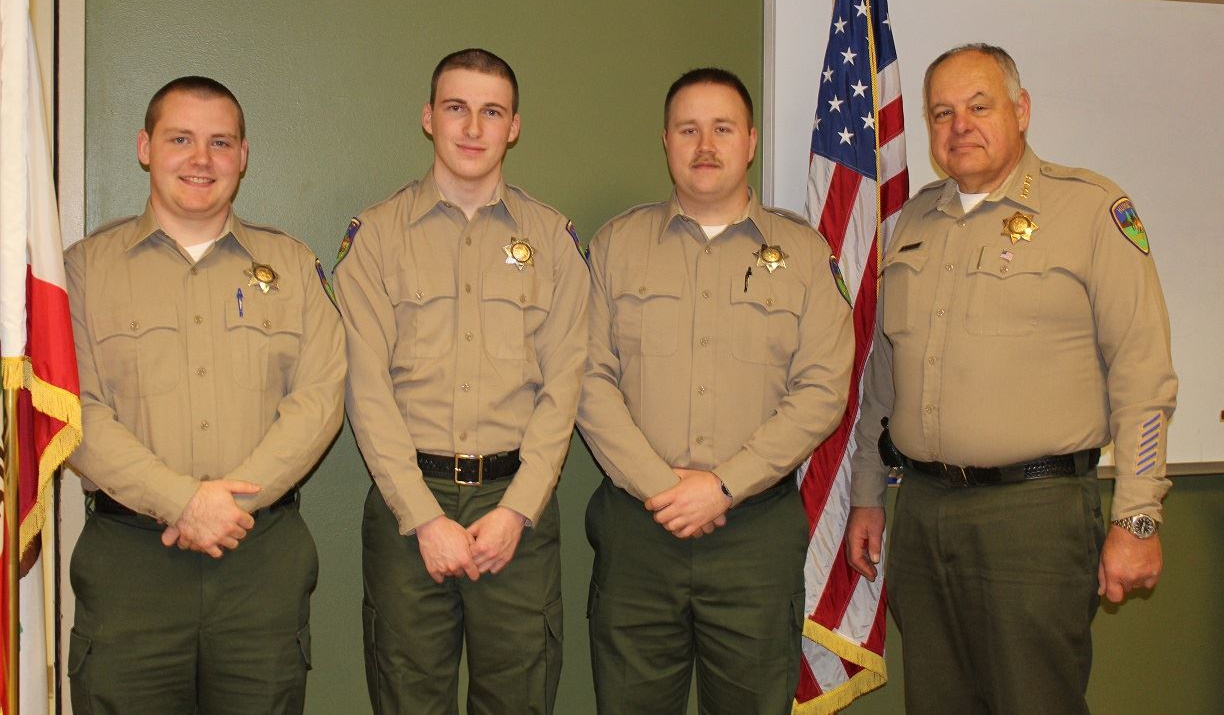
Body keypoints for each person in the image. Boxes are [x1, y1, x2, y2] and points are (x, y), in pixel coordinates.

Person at [845, 44, 1177, 715]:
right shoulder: (912, 222)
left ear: (1020, 111)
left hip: (1034, 516)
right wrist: (866, 495)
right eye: (942, 112)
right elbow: (884, 377)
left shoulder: (1091, 209)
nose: (959, 125)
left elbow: (1144, 374)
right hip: (927, 511)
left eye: (978, 105)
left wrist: (1138, 516)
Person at [64, 76, 346, 713]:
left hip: (260, 560)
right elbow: (73, 407)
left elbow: (321, 397)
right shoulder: (81, 271)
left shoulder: (295, 267)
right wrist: (183, 501)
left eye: (220, 142)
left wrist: (228, 504)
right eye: (180, 139)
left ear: (243, 155)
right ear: (145, 147)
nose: (201, 159)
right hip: (131, 566)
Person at [577, 68, 854, 714]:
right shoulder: (617, 246)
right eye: (688, 129)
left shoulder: (806, 255)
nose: (706, 144)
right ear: (666, 142)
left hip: (753, 536)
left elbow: (821, 391)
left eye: (722, 128)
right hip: (638, 531)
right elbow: (588, 379)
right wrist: (662, 488)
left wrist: (722, 485)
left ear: (750, 141)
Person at [334, 48, 589, 714]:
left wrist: (518, 509)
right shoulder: (377, 238)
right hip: (407, 509)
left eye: (491, 111)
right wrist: (422, 517)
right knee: (407, 697)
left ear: (514, 127)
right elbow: (367, 391)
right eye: (457, 108)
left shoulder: (552, 240)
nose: (473, 127)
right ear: (428, 118)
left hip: (517, 509)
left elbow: (564, 387)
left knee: (520, 698)